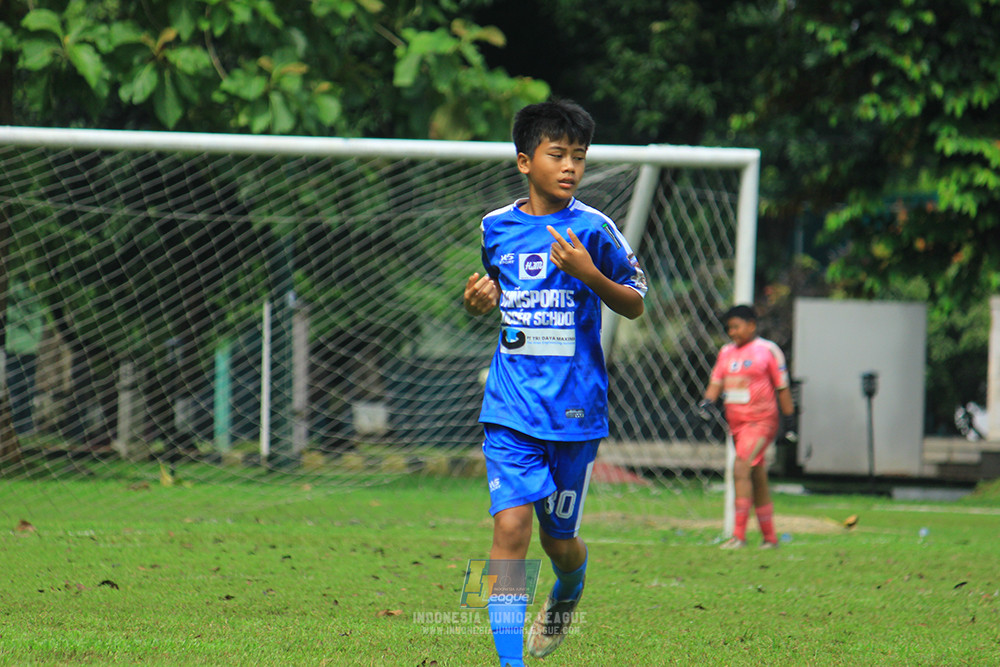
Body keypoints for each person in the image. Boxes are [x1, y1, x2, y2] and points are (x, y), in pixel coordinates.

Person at [463, 99, 647, 667]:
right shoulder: (496, 226)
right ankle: (510, 662)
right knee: (512, 528)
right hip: (511, 410)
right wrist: (477, 302)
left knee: (557, 543)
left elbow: (636, 303)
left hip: (574, 414)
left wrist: (590, 275)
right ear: (525, 161)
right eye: (558, 155)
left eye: (579, 158)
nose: (570, 167)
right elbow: (493, 292)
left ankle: (569, 589)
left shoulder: (594, 229)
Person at [699, 304, 795, 549]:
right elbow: (716, 382)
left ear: (752, 325)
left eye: (736, 326)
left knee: (740, 467)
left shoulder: (767, 351)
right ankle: (770, 538)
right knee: (756, 474)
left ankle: (738, 536)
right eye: (729, 328)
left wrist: (790, 422)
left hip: (761, 421)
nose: (732, 332)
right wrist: (708, 402)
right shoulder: (726, 352)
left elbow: (782, 387)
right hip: (737, 425)